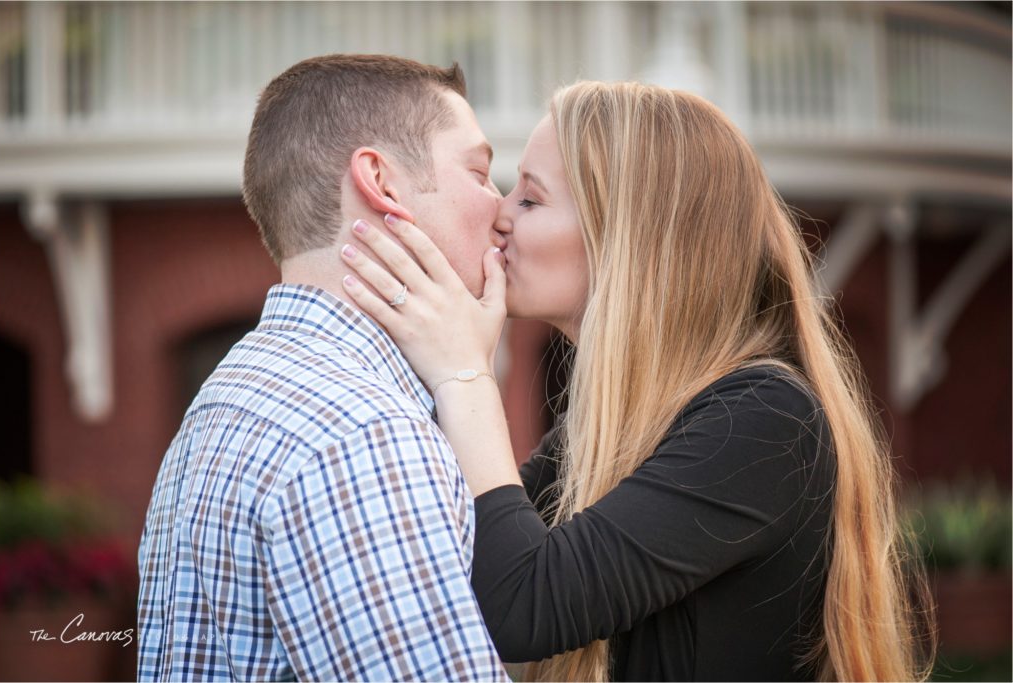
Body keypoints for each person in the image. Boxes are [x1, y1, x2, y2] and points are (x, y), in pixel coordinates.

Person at [341, 81, 934, 681]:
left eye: (531, 199)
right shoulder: (617, 425)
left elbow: (523, 606)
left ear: (627, 237)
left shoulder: (764, 422)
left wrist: (464, 374)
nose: (498, 214)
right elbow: (460, 561)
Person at [136, 54, 510, 681]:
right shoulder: (364, 434)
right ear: (382, 182)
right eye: (479, 173)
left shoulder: (219, 402)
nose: (500, 208)